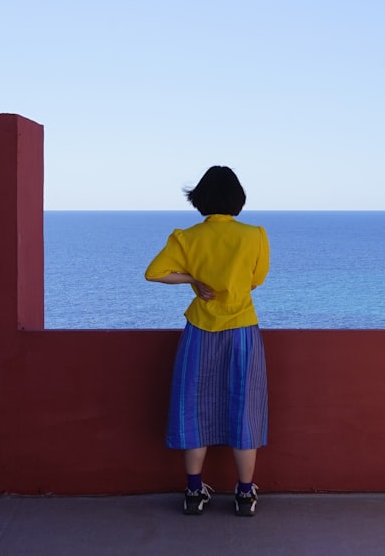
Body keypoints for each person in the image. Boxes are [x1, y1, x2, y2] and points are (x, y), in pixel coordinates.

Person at [144, 166, 270, 517]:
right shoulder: (255, 235)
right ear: (237, 200)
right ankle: (245, 496)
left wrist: (194, 280)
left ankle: (194, 492)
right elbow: (257, 280)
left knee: (193, 408)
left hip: (200, 331)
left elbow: (153, 273)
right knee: (245, 410)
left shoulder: (186, 237)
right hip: (243, 330)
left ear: (200, 199)